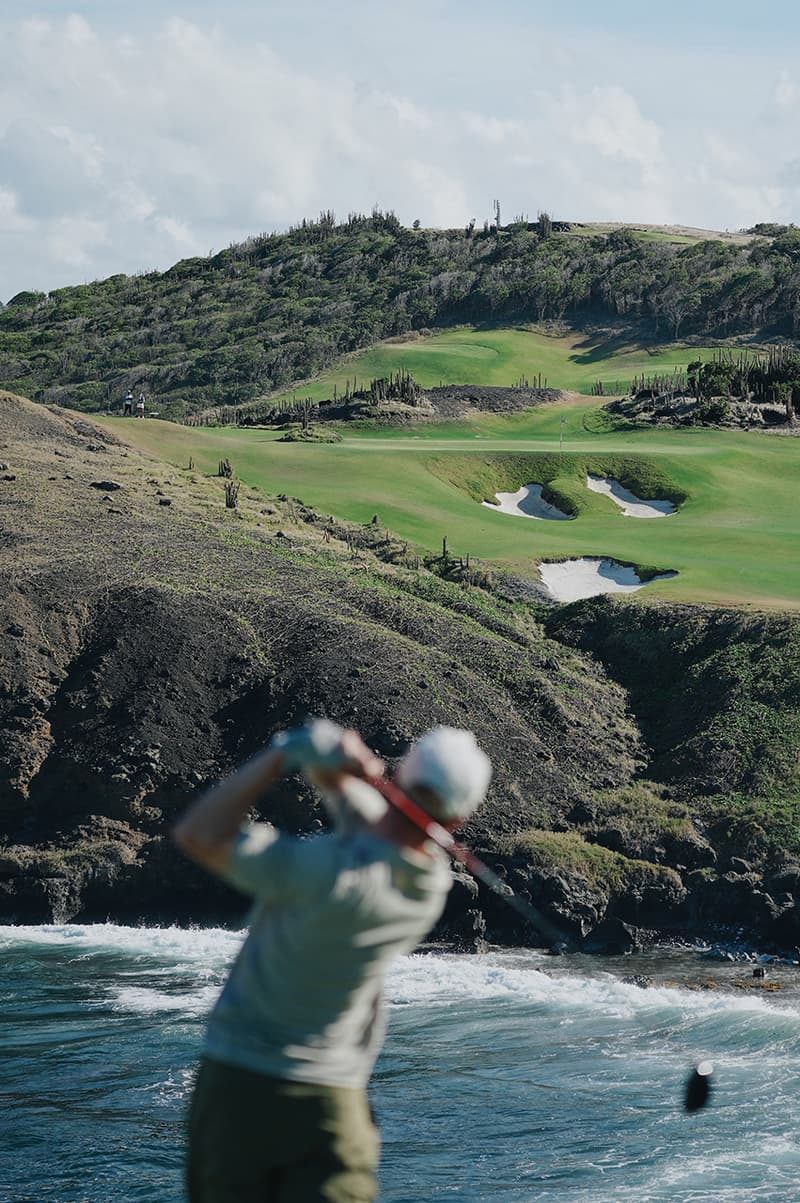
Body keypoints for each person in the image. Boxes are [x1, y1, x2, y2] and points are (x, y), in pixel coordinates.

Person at [173, 717, 491, 1203]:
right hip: (334, 1101)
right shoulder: (429, 885)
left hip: (241, 1088)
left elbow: (200, 833)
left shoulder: (320, 869)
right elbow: (380, 830)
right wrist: (347, 777)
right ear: (459, 820)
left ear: (402, 774)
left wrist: (285, 753)